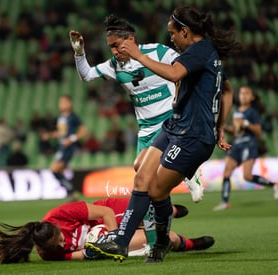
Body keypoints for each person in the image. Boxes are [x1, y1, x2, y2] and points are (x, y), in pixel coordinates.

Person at [85, 6, 239, 263]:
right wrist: (221, 126)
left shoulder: (200, 52)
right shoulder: (194, 53)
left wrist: (137, 55)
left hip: (193, 136)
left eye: (173, 33)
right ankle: (121, 243)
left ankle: (162, 241)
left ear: (186, 32)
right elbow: (227, 90)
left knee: (156, 191)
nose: (171, 39)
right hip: (174, 126)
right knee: (141, 178)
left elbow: (175, 74)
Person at [69, 15, 204, 204]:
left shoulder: (158, 52)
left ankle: (187, 169)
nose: (114, 51)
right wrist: (79, 53)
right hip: (145, 128)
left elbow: (187, 67)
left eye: (116, 45)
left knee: (141, 167)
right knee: (145, 180)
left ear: (131, 39)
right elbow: (86, 75)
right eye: (111, 47)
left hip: (169, 120)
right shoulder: (114, 66)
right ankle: (168, 210)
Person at [0, 197, 214, 263]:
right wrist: (94, 251)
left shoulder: (59, 214)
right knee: (167, 237)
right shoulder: (47, 252)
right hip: (101, 238)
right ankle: (189, 244)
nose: (62, 245)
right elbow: (78, 255)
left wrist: (113, 238)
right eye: (56, 246)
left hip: (108, 214)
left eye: (60, 239)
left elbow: (105, 214)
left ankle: (169, 210)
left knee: (149, 212)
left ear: (58, 227)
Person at [213, 86, 278, 211]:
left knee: (247, 176)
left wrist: (245, 123)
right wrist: (225, 129)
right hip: (237, 144)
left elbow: (258, 131)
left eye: (246, 93)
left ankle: (274, 185)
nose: (243, 96)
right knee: (227, 172)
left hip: (249, 144)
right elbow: (236, 131)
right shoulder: (236, 111)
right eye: (241, 93)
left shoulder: (253, 112)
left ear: (252, 97)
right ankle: (225, 202)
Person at [45, 95, 87, 200]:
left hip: (67, 148)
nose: (61, 104)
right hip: (60, 147)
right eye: (60, 102)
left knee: (54, 169)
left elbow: (82, 131)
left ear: (69, 103)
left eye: (64, 102)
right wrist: (49, 135)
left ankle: (71, 190)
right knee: (59, 171)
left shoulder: (73, 117)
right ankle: (71, 193)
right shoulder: (60, 117)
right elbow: (61, 133)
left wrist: (71, 139)